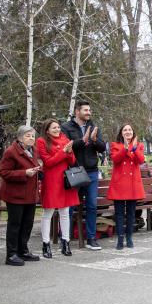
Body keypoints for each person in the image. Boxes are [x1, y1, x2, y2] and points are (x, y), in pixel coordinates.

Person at [61, 100, 106, 250]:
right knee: (70, 206)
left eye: (89, 110)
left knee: (92, 206)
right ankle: (65, 239)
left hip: (92, 172)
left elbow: (102, 147)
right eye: (85, 110)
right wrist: (82, 141)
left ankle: (91, 238)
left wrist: (94, 140)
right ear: (77, 112)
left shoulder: (93, 126)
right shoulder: (66, 127)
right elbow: (66, 148)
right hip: (75, 171)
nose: (89, 112)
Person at [37, 119, 80, 258]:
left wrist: (69, 152)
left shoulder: (65, 138)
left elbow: (72, 161)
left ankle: (65, 242)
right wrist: (63, 151)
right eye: (54, 128)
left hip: (64, 180)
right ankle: (46, 244)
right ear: (47, 130)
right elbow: (48, 162)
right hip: (51, 181)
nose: (57, 130)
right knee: (48, 213)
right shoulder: (41, 141)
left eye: (58, 127)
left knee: (65, 212)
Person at [0, 125, 41, 266]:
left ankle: (23, 251)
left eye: (33, 136)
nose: (31, 138)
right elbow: (4, 172)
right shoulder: (11, 151)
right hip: (15, 195)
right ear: (20, 137)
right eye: (28, 135)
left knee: (27, 224)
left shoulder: (33, 150)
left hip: (30, 194)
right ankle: (11, 255)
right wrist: (24, 173)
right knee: (15, 224)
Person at [107, 124, 146, 249]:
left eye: (130, 130)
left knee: (131, 213)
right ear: (121, 132)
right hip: (119, 183)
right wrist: (126, 148)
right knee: (119, 214)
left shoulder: (138, 145)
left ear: (133, 132)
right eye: (125, 130)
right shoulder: (114, 145)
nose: (128, 131)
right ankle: (120, 239)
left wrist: (133, 149)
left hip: (132, 183)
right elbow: (116, 159)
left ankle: (129, 237)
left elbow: (140, 160)